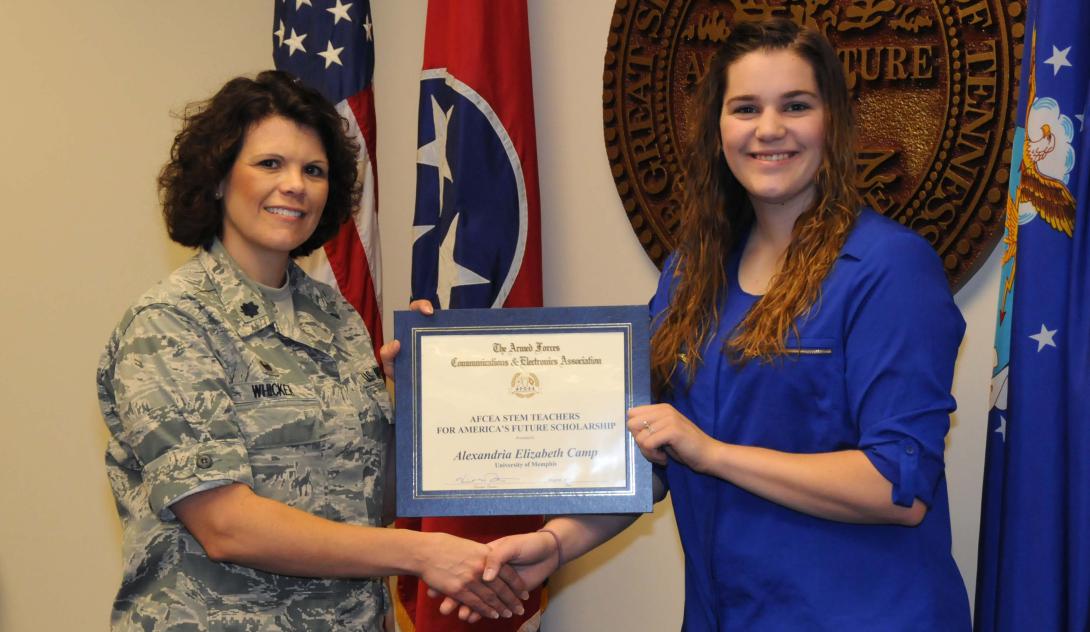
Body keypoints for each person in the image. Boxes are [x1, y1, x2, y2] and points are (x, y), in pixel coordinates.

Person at [449, 18, 972, 629]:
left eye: (795, 105)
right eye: (745, 107)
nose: (769, 129)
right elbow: (650, 451)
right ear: (718, 128)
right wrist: (557, 542)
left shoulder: (890, 268)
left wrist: (713, 453)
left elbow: (896, 486)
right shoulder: (691, 273)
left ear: (831, 120)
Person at [96, 71, 527, 631]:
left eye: (313, 170)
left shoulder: (337, 316)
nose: (295, 184)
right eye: (270, 164)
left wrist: (417, 392)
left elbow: (380, 497)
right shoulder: (171, 322)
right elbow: (226, 524)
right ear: (220, 179)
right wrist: (421, 555)